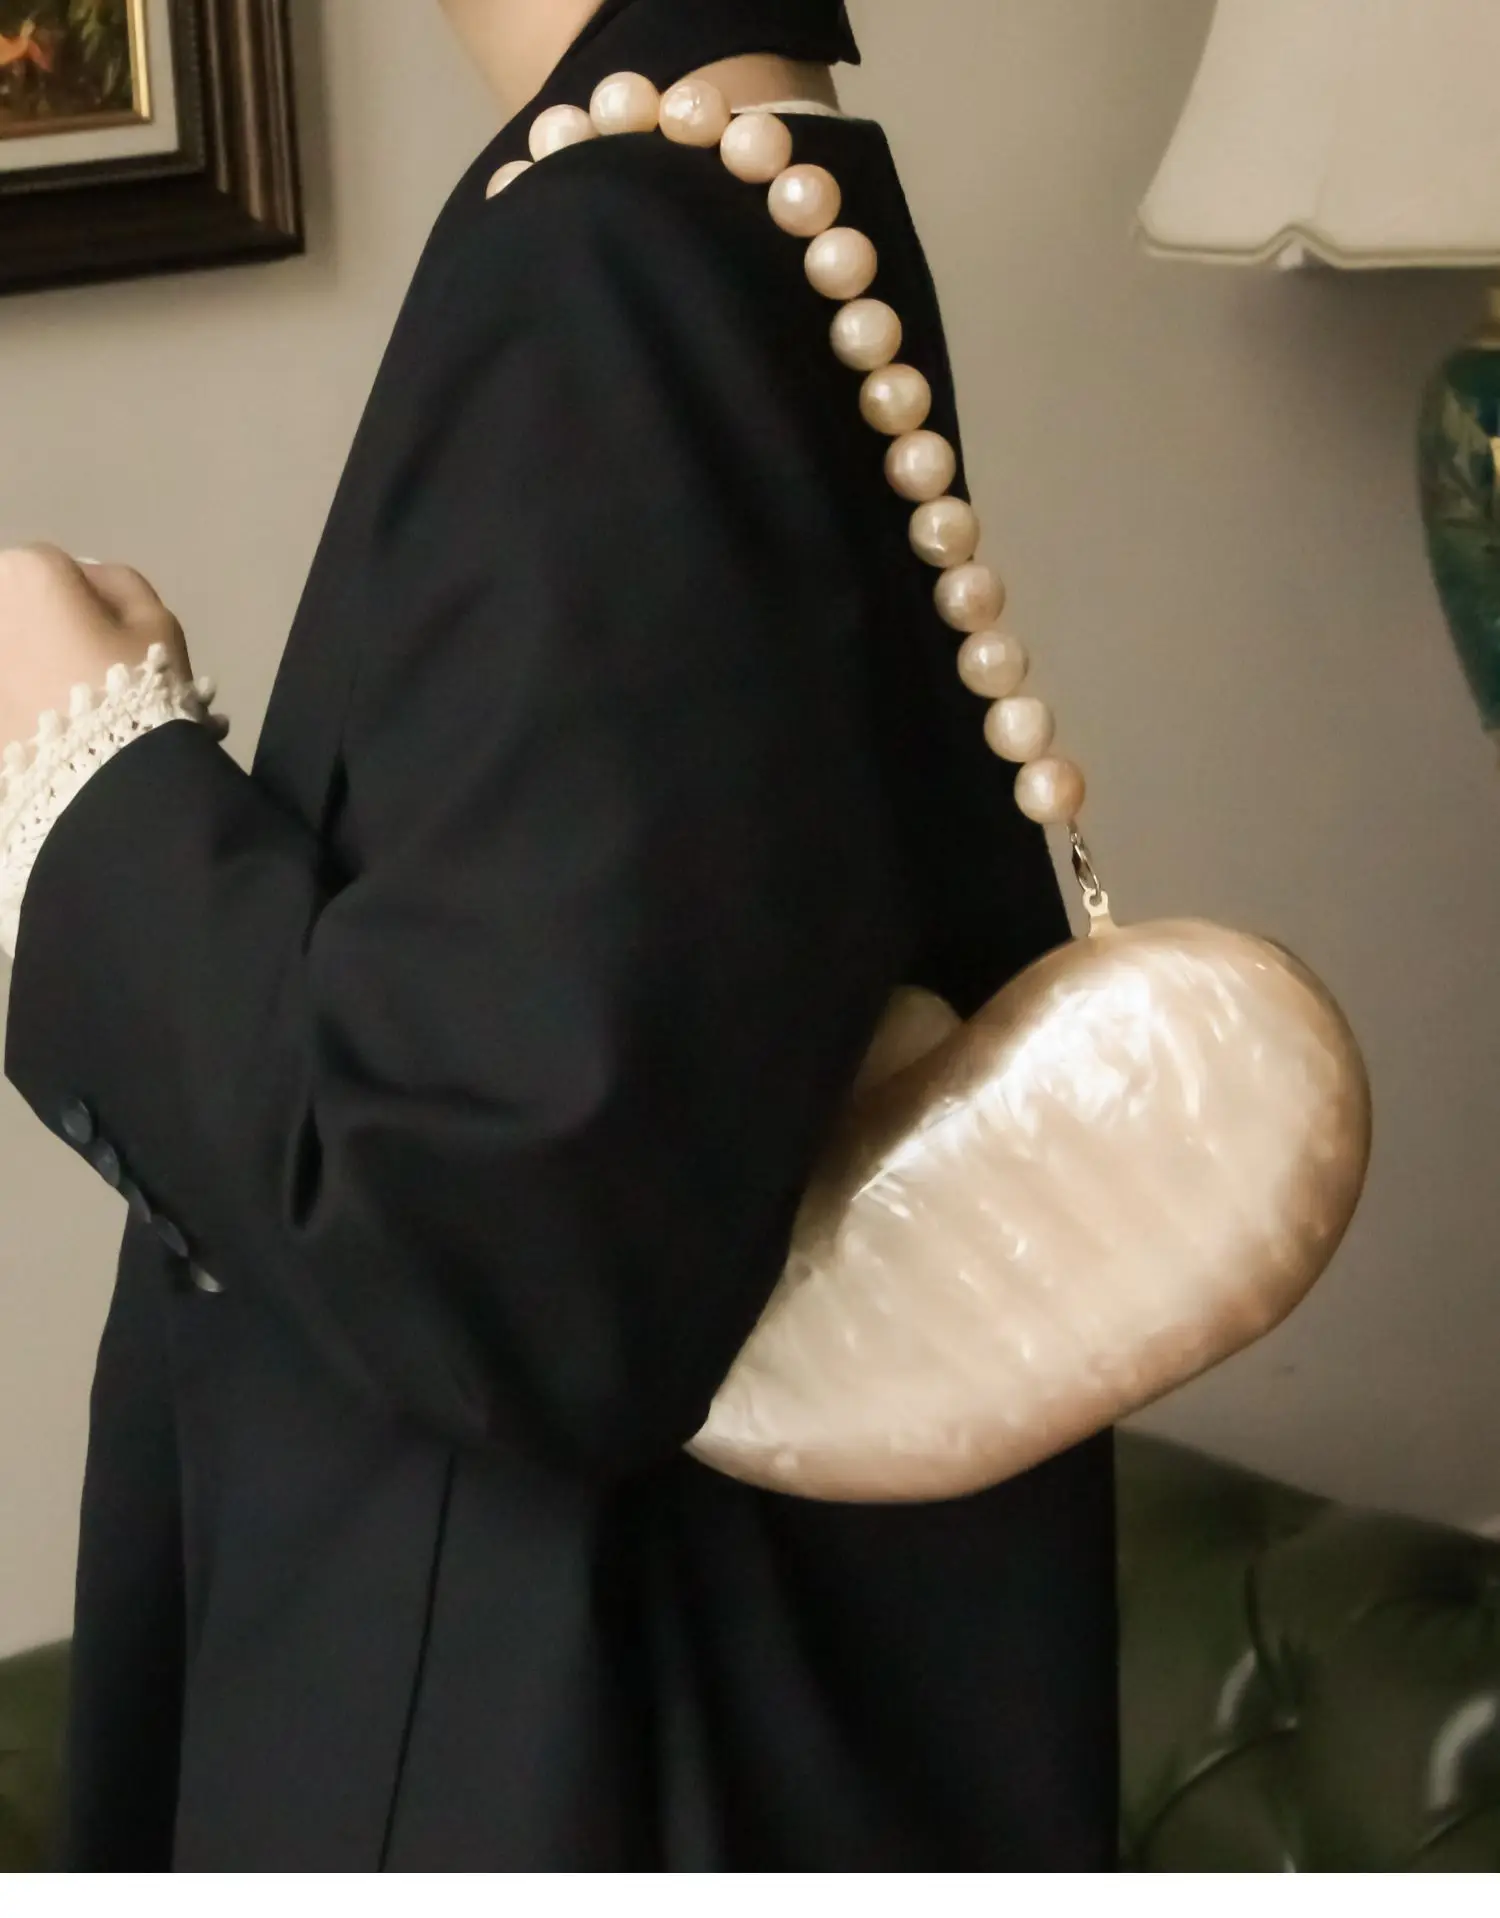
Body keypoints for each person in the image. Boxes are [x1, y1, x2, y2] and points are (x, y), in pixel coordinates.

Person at [0, 0, 1117, 1870]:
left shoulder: (621, 256)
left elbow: (511, 1239)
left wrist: (85, 784)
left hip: (536, 1768)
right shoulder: (757, 201)